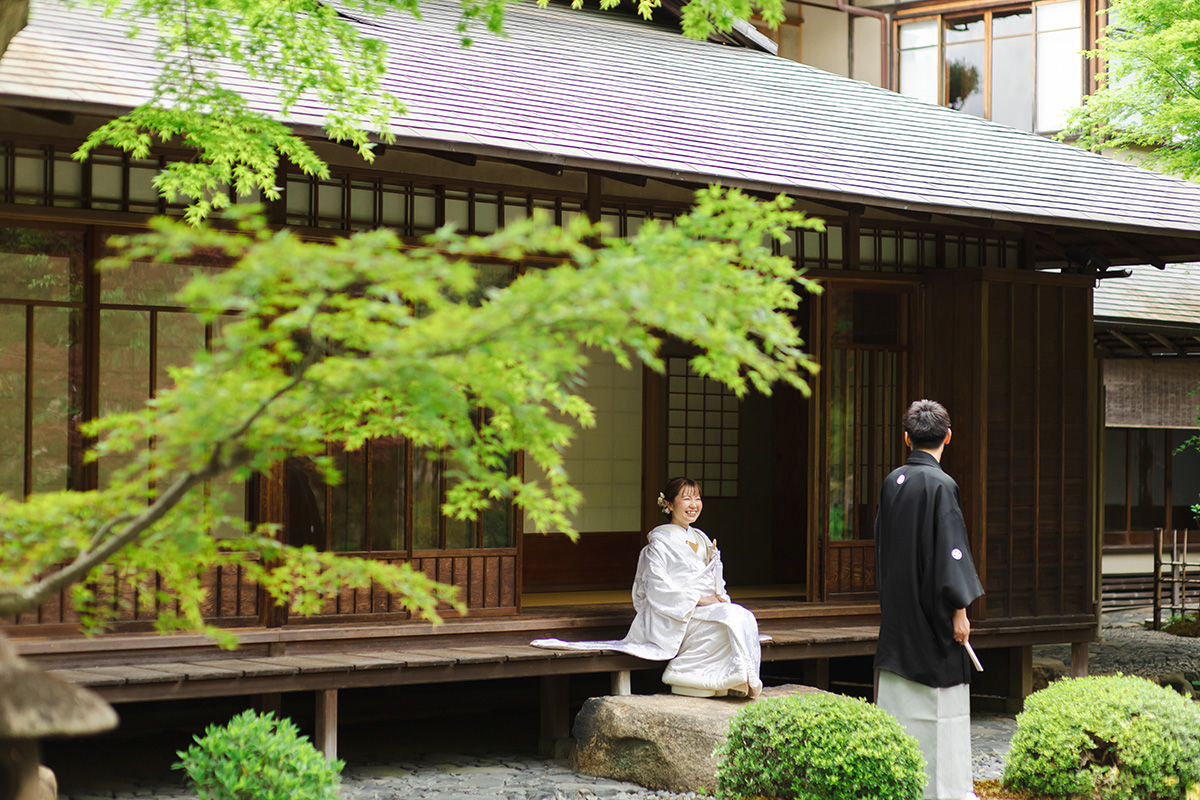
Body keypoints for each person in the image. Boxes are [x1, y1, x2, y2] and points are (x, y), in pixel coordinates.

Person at [532, 477, 764, 698]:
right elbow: (656, 588)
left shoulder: (703, 539)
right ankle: (684, 673)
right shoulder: (658, 545)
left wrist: (718, 597)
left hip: (702, 607)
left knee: (740, 614)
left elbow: (716, 580)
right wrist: (698, 599)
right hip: (674, 613)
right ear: (669, 504)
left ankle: (730, 677)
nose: (693, 505)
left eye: (697, 499)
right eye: (686, 499)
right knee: (730, 618)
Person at [874, 400, 985, 800]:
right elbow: (951, 551)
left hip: (900, 613)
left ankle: (899, 787)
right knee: (941, 711)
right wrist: (960, 610)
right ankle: (944, 792)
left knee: (899, 705)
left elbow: (884, 547)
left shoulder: (893, 481)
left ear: (906, 437)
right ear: (948, 438)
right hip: (933, 618)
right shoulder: (942, 485)